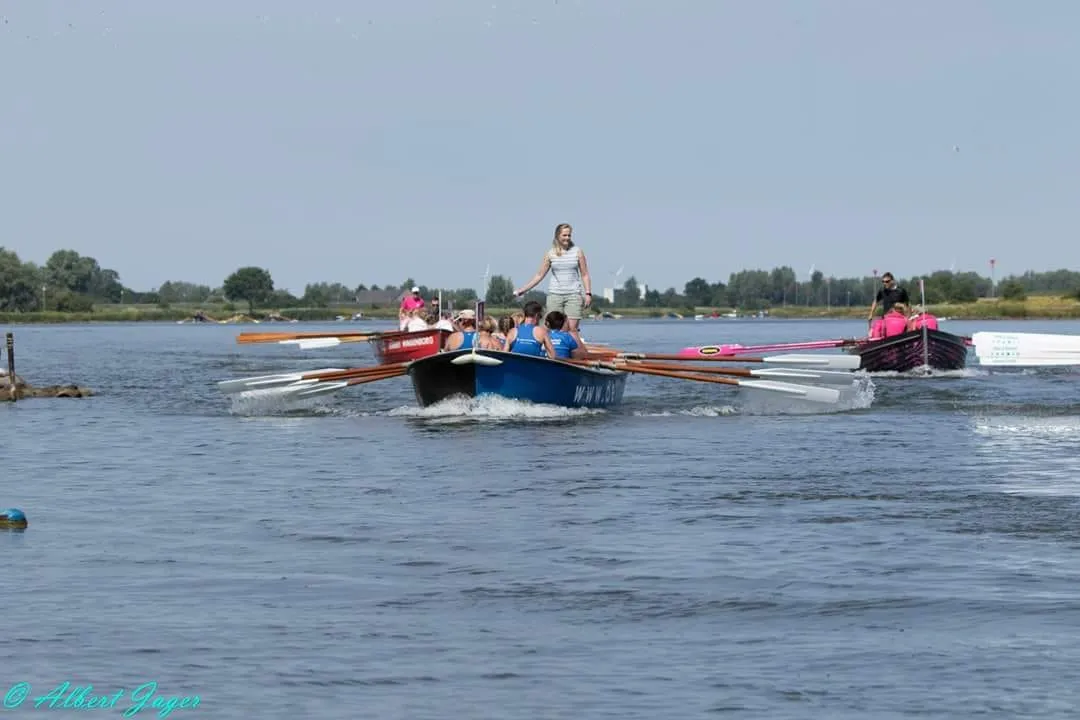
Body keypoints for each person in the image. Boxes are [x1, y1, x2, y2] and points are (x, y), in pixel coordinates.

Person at [513, 223, 593, 337]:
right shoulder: (550, 253)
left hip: (573, 295)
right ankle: (550, 351)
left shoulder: (578, 251)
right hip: (555, 294)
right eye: (564, 235)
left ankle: (574, 352)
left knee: (572, 329)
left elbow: (585, 274)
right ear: (557, 236)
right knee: (550, 327)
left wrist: (588, 293)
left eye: (569, 235)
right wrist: (523, 290)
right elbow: (539, 275)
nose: (567, 238)